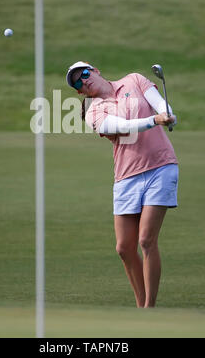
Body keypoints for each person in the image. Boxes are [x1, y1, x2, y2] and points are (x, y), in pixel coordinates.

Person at [66, 61, 179, 308]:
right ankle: (141, 306)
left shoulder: (134, 79)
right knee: (124, 248)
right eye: (77, 82)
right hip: (126, 177)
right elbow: (124, 128)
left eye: (84, 74)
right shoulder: (93, 113)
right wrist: (155, 120)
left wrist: (168, 113)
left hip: (161, 167)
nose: (83, 80)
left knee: (146, 240)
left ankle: (150, 309)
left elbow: (160, 102)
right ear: (80, 92)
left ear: (95, 70)